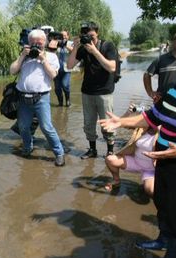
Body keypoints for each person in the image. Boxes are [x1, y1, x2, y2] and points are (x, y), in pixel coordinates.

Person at [99, 58, 176, 258]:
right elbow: (152, 118)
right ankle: (163, 239)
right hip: (163, 161)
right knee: (162, 201)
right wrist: (122, 122)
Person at [10, 29, 65, 166]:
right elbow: (12, 71)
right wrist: (22, 56)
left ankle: (59, 153)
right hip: (23, 98)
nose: (36, 45)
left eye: (39, 43)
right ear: (28, 43)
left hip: (41, 98)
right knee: (23, 127)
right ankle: (27, 148)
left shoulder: (51, 57)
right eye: (33, 42)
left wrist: (43, 60)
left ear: (44, 43)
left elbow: (53, 75)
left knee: (47, 127)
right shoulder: (24, 56)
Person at [67, 21, 117, 159]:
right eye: (86, 36)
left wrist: (94, 51)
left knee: (107, 124)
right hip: (87, 92)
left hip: (105, 93)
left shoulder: (108, 46)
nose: (90, 39)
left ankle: (110, 151)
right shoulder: (83, 49)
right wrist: (76, 47)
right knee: (88, 123)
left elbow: (112, 67)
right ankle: (92, 150)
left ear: (97, 33)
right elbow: (70, 65)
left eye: (92, 36)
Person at [105, 105, 156, 198]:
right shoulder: (142, 126)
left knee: (150, 191)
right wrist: (128, 113)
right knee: (110, 159)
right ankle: (116, 181)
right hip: (135, 162)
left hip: (152, 169)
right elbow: (123, 124)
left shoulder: (165, 131)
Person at [144, 31, 176, 103]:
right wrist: (150, 92)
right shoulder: (161, 59)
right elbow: (147, 75)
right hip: (163, 100)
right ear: (174, 42)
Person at [54, 31, 73, 107]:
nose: (63, 37)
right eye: (61, 35)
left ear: (68, 36)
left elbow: (73, 51)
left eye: (65, 35)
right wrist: (56, 44)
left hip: (67, 69)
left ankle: (68, 100)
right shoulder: (55, 43)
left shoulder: (70, 43)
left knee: (65, 85)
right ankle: (60, 102)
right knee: (57, 88)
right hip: (56, 69)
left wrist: (65, 45)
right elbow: (51, 52)